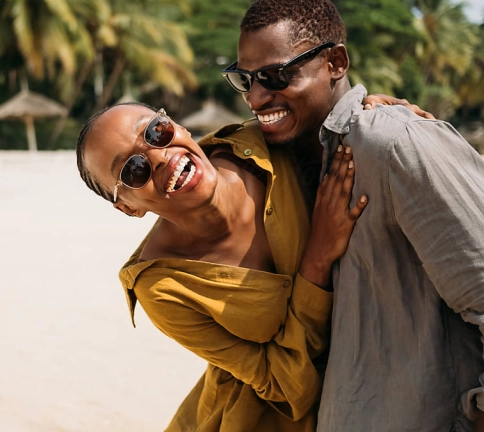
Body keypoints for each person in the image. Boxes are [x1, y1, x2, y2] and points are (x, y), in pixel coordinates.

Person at [222, 0, 484, 431]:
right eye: (246, 79)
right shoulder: (301, 157)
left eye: (276, 76)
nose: (255, 97)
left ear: (336, 63)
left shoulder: (391, 142)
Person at [77, 102, 368, 431]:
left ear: (178, 125)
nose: (160, 157)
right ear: (128, 208)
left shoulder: (258, 145)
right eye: (133, 170)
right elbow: (284, 386)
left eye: (156, 132)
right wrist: (317, 261)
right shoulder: (163, 287)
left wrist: (375, 114)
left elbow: (338, 117)